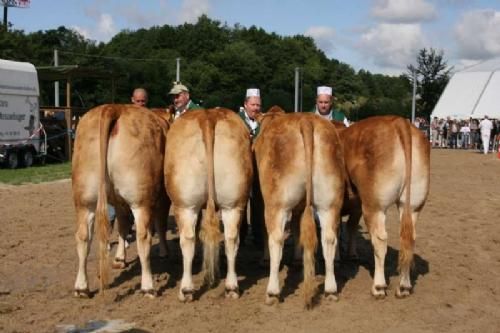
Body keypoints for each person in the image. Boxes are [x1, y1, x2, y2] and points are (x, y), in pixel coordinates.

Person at [238, 88, 265, 247]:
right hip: (241, 167)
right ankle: (240, 235)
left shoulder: (263, 121)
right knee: (240, 202)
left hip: (259, 168)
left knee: (258, 203)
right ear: (245, 104)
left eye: (258, 105)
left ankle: (258, 235)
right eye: (253, 105)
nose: (256, 108)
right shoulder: (236, 120)